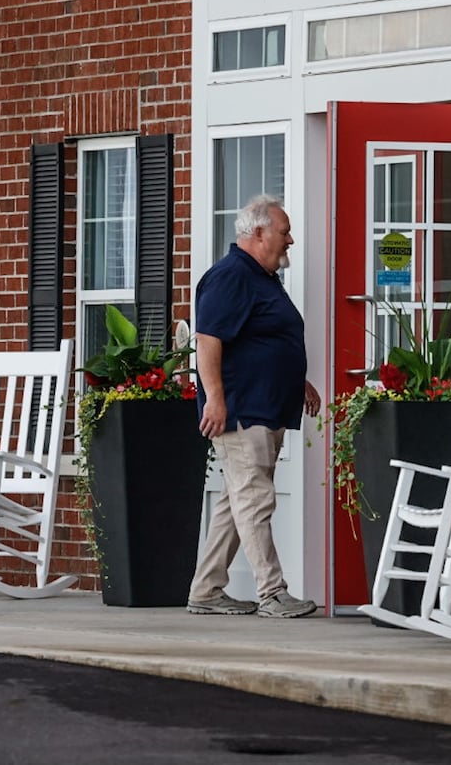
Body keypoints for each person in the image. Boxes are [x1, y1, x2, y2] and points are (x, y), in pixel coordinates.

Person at [186, 194, 321, 618]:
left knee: (237, 501)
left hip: (266, 405)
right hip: (243, 410)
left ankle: (206, 589)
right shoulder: (230, 276)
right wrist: (215, 401)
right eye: (284, 232)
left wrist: (297, 380)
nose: (291, 241)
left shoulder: (262, 277)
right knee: (255, 500)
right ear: (258, 233)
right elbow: (208, 341)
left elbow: (264, 339)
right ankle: (272, 592)